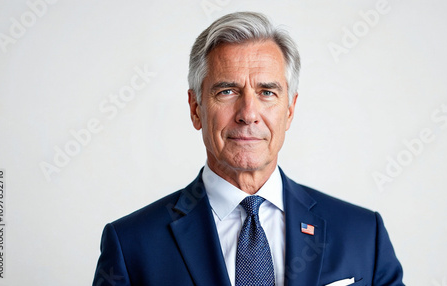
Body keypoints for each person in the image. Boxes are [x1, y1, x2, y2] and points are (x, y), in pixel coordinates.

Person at [92, 11, 404, 286]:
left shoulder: (363, 235)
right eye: (227, 91)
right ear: (196, 108)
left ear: (290, 110)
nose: (248, 113)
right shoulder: (131, 245)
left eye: (267, 92)